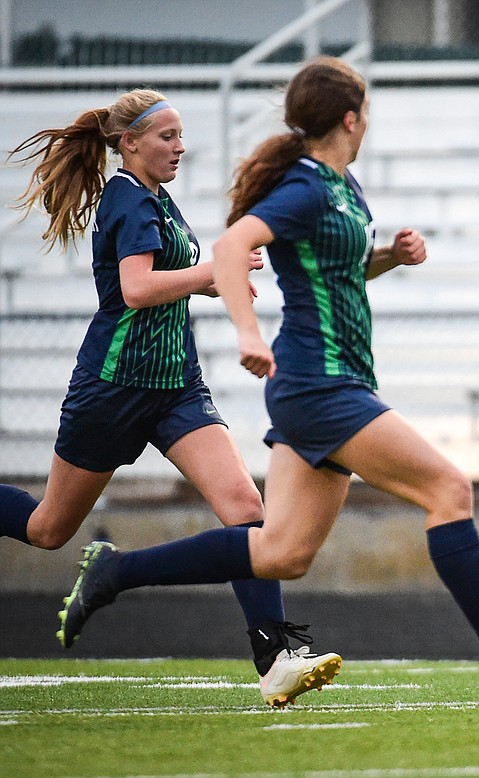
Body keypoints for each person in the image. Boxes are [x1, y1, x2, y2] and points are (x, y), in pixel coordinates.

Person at [54, 57, 479, 701]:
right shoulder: (307, 187)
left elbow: (340, 270)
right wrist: (249, 333)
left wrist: (391, 257)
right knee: (449, 489)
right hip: (320, 386)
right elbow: (230, 249)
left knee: (281, 552)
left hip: (329, 385)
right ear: (350, 117)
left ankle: (117, 572)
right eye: (365, 112)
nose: (367, 122)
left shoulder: (344, 186)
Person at [1, 90, 341, 707]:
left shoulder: (158, 196)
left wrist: (210, 285)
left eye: (181, 137)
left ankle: (275, 658)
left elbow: (166, 282)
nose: (179, 148)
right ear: (128, 143)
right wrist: (212, 270)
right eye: (166, 137)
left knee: (244, 506)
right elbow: (135, 289)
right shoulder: (127, 198)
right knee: (49, 527)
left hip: (175, 385)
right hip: (114, 387)